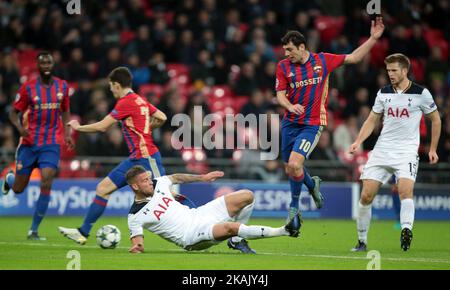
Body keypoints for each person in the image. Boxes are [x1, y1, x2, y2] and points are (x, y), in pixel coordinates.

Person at [275, 17, 385, 219]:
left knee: (295, 165)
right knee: (290, 167)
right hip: (290, 122)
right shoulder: (283, 66)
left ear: (301, 47)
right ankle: (312, 184)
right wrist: (290, 106)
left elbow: (353, 58)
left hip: (312, 124)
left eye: (290, 49)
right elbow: (280, 94)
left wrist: (373, 38)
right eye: (285, 50)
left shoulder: (322, 60)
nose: (286, 54)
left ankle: (293, 208)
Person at [58, 67, 167, 244]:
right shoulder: (140, 100)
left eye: (111, 86)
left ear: (117, 85)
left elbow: (102, 126)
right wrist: (145, 128)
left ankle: (197, 226)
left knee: (166, 199)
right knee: (103, 188)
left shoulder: (126, 102)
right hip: (134, 159)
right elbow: (162, 117)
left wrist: (78, 128)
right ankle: (83, 232)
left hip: (147, 158)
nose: (110, 89)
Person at [349, 53, 441, 252]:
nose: (390, 74)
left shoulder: (421, 93)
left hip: (406, 152)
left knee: (404, 191)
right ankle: (362, 241)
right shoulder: (383, 93)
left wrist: (432, 148)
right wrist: (358, 141)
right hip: (382, 150)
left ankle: (406, 230)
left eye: (394, 70)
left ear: (405, 71)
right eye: (388, 70)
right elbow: (372, 120)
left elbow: (436, 119)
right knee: (366, 196)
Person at [125, 166, 301, 254]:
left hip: (199, 214)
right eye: (145, 181)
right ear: (135, 186)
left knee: (247, 196)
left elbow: (177, 177)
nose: (150, 182)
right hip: (191, 235)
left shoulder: (158, 183)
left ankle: (237, 241)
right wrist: (137, 247)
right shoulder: (135, 215)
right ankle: (285, 230)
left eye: (149, 178)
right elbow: (138, 241)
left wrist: (203, 177)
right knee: (229, 227)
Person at [1, 51, 74, 240]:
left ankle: (33, 230)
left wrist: (67, 132)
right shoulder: (28, 88)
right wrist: (19, 128)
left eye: (49, 63)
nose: (47, 66)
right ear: (38, 66)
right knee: (18, 188)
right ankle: (9, 180)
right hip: (29, 143)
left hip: (51, 143)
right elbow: (12, 112)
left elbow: (65, 110)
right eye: (43, 63)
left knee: (47, 179)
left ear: (53, 65)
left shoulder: (62, 86)